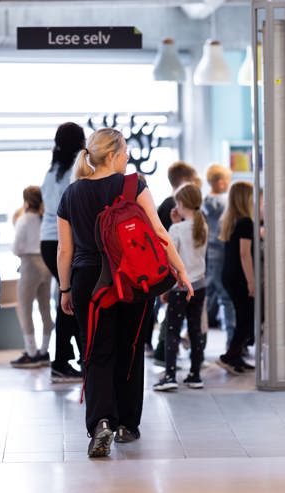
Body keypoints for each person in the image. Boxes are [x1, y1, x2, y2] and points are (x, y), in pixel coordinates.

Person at [56, 128, 193, 458]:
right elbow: (158, 232)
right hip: (134, 277)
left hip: (90, 280)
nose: (129, 156)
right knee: (130, 348)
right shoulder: (133, 185)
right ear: (115, 154)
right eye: (126, 150)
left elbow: (65, 249)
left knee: (96, 352)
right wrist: (180, 270)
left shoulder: (71, 193)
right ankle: (127, 424)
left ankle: (101, 422)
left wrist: (65, 288)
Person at [40, 122, 86, 383]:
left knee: (66, 296)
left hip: (47, 240)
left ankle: (65, 358)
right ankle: (62, 361)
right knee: (70, 299)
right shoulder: (75, 170)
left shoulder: (53, 170)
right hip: (64, 240)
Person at [153, 183, 208, 391]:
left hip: (179, 287)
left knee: (172, 331)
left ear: (181, 203)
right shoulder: (203, 226)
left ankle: (170, 375)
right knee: (194, 330)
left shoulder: (176, 229)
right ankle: (195, 374)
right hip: (199, 285)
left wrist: (165, 290)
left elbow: (170, 258)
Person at [150, 162, 199, 365]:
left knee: (171, 316)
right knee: (171, 317)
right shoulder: (172, 206)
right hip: (175, 270)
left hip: (176, 269)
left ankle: (165, 352)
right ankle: (163, 353)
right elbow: (169, 241)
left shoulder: (167, 206)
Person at [216, 181, 258, 375]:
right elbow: (245, 254)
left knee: (244, 316)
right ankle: (229, 356)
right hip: (240, 277)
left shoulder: (231, 221)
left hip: (229, 275)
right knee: (246, 318)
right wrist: (251, 281)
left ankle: (236, 357)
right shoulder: (245, 222)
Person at [10, 186, 54, 368]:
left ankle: (31, 352)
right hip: (46, 264)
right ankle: (44, 352)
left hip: (29, 264)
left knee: (25, 309)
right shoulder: (45, 219)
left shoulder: (24, 220)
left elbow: (16, 249)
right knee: (45, 309)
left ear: (26, 201)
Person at [203, 164, 236, 343]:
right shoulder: (225, 202)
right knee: (226, 297)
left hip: (210, 252)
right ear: (222, 182)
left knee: (208, 294)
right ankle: (232, 340)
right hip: (222, 252)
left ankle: (192, 333)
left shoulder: (205, 201)